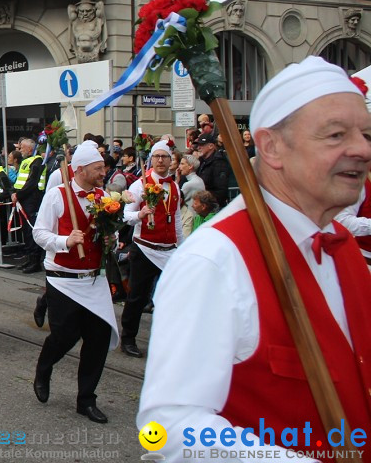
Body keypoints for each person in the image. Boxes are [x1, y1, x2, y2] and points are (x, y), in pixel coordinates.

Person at [138, 57, 371, 458]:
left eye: (366, 134)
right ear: (272, 147)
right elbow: (166, 427)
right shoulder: (214, 259)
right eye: (336, 135)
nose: (363, 149)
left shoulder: (341, 243)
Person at [32, 141, 119, 424]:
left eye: (103, 167)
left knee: (97, 339)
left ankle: (86, 400)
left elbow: (109, 237)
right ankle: (44, 368)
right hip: (63, 280)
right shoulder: (57, 196)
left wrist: (111, 240)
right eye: (97, 168)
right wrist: (65, 241)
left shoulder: (104, 197)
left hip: (94, 279)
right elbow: (39, 234)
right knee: (64, 336)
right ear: (80, 169)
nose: (103, 172)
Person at [119, 140, 182, 359]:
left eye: (165, 157)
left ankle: (168, 341)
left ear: (171, 160)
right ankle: (128, 338)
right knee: (137, 297)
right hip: (145, 249)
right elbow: (125, 216)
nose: (161, 160)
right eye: (158, 157)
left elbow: (176, 219)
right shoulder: (140, 184)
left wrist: (181, 247)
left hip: (169, 250)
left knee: (172, 298)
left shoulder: (174, 186)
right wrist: (140, 214)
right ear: (151, 160)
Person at [12, 137, 48, 274]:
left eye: (22, 148)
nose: (20, 150)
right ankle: (29, 258)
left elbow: (32, 182)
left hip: (32, 199)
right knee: (25, 230)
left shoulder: (37, 161)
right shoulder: (26, 161)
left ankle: (35, 261)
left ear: (30, 149)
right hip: (24, 199)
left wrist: (19, 194)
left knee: (31, 229)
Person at [194, 131, 232, 207]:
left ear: (211, 146)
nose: (198, 148)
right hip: (202, 206)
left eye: (202, 145)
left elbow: (221, 190)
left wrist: (206, 203)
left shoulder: (219, 162)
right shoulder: (201, 161)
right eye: (198, 145)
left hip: (213, 207)